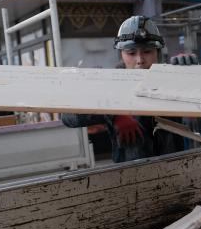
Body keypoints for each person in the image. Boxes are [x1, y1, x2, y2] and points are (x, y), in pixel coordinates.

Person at [61, 15, 184, 163]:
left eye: (147, 51)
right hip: (131, 177)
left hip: (177, 169)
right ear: (121, 54)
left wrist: (194, 70)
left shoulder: (170, 79)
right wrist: (115, 113)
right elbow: (68, 116)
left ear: (157, 52)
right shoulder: (112, 86)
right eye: (131, 53)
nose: (139, 60)